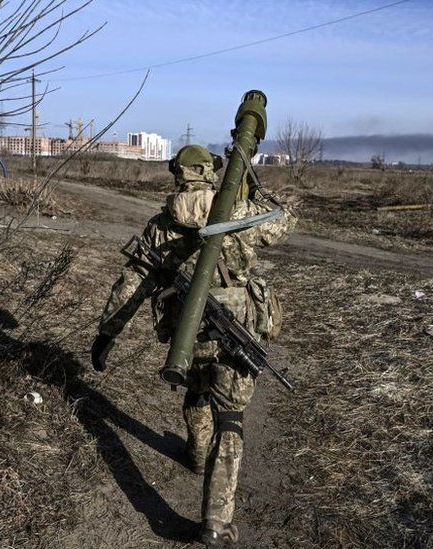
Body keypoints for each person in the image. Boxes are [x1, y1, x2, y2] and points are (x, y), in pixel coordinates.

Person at [90, 144, 296, 545]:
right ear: (210, 172)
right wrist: (255, 189)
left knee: (196, 387)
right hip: (237, 327)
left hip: (188, 333)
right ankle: (216, 521)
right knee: (230, 418)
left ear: (178, 174)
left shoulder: (163, 225)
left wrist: (107, 332)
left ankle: (197, 456)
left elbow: (134, 281)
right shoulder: (235, 215)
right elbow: (286, 222)